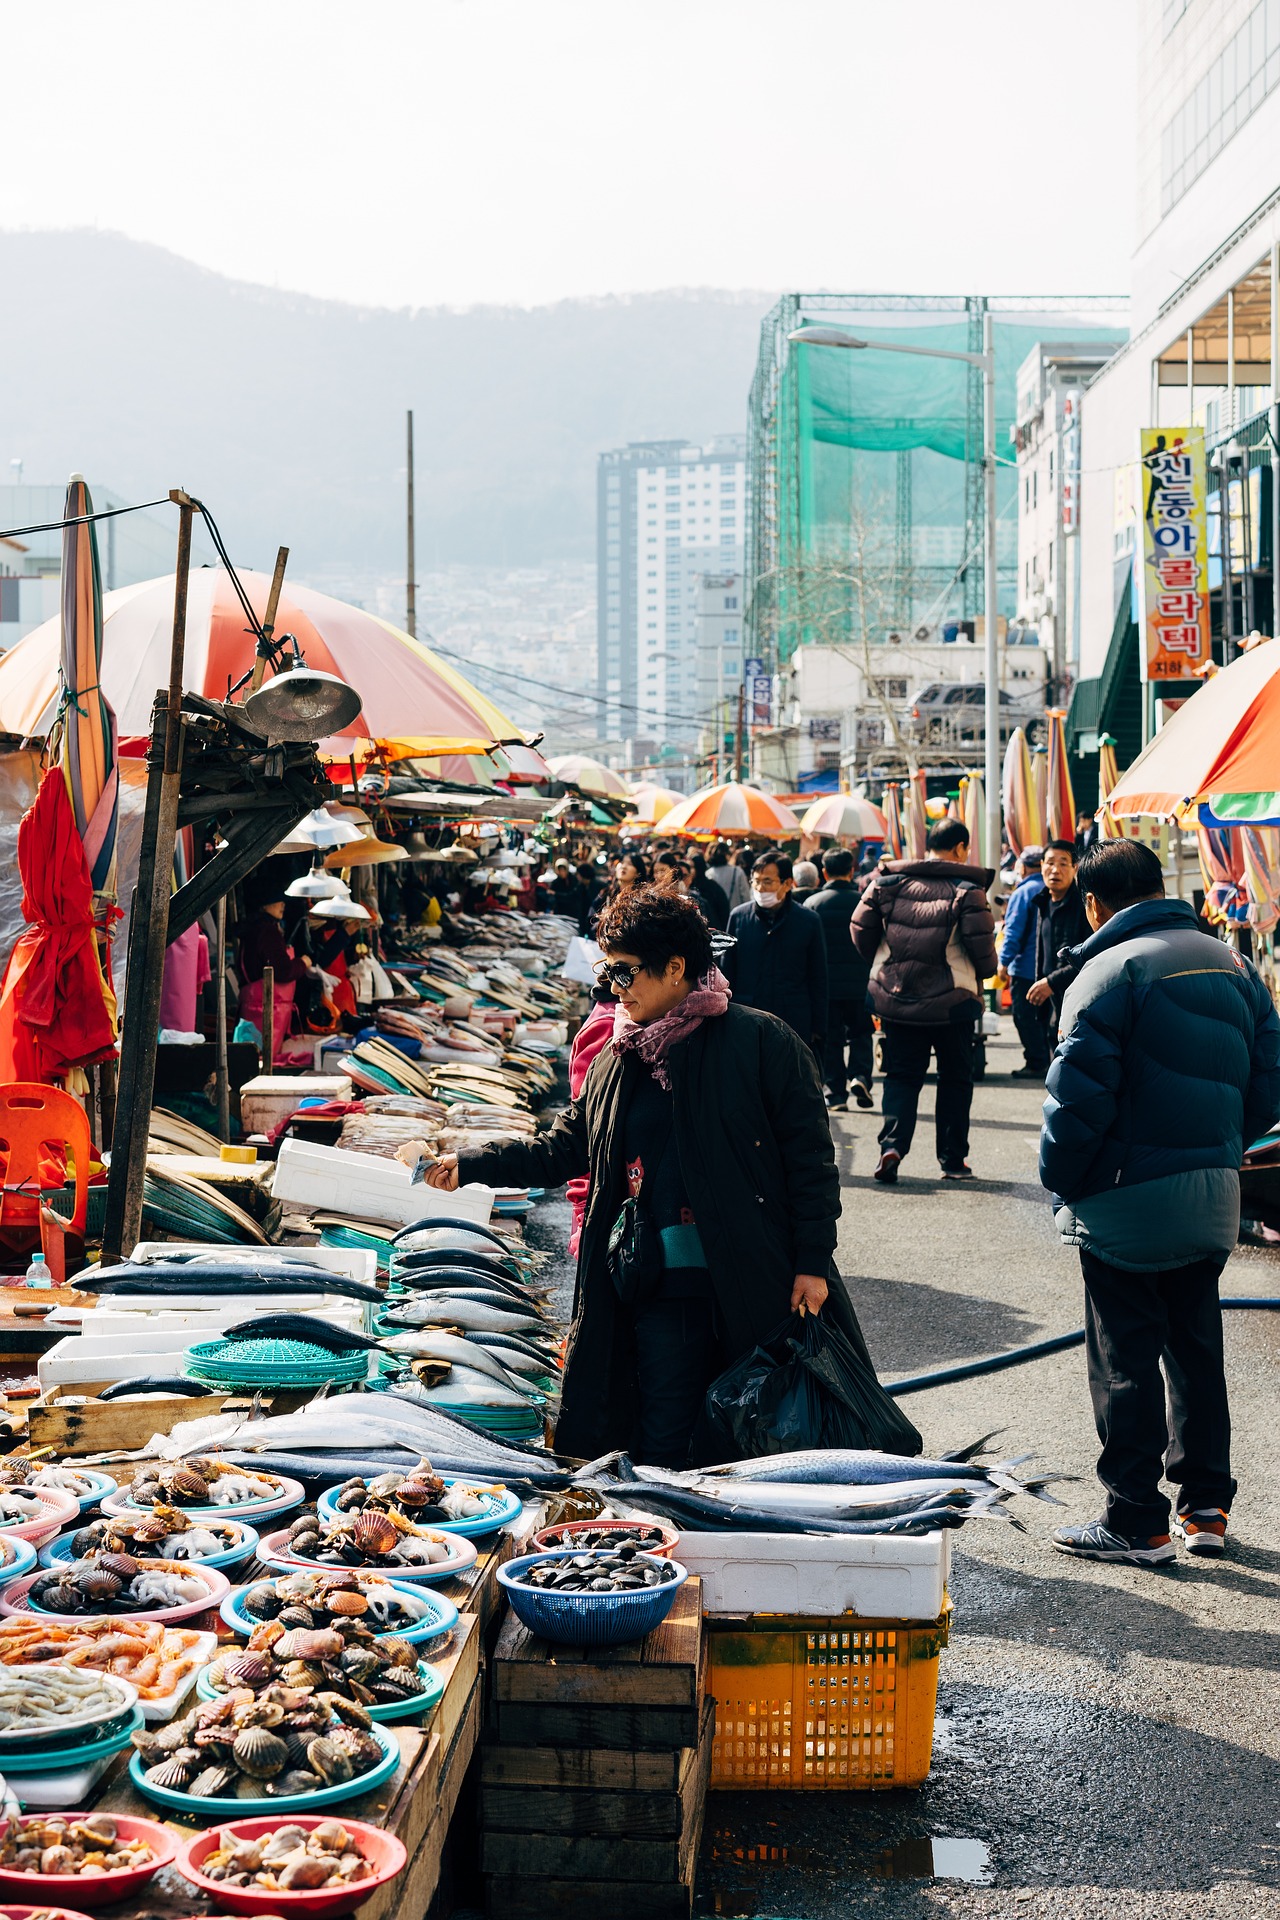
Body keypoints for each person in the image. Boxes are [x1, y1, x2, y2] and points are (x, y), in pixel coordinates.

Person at [421, 886, 842, 1467]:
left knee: (759, 1430)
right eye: (607, 970)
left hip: (752, 1279)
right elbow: (564, 1147)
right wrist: (470, 1164)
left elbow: (811, 1165)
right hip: (657, 1286)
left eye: (624, 972)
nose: (613, 988)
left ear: (675, 968)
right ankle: (675, 1545)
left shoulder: (763, 1043)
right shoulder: (619, 1058)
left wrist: (811, 1263)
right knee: (663, 1435)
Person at [1040, 840, 1280, 1566]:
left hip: (1124, 1197)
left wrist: (1068, 1181)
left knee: (1124, 1358)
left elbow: (1074, 1104)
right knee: (1196, 1349)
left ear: (1094, 903)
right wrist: (1212, 1149)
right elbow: (1268, 1087)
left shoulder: (1108, 970)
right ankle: (1206, 1508)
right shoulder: (1236, 964)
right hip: (1211, 1190)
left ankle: (1135, 1519)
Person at [851, 818, 997, 1184]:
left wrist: (887, 963)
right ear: (962, 848)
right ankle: (952, 1161)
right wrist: (987, 970)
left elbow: (859, 928)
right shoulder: (968, 889)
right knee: (955, 1080)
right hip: (953, 1004)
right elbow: (983, 953)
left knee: (901, 1076)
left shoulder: (886, 883)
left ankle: (892, 1146)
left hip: (898, 999)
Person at [723, 849, 828, 1055]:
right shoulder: (738, 917)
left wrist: (818, 1026)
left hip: (793, 1019)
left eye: (768, 881)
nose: (760, 888)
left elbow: (818, 977)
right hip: (747, 1017)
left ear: (787, 883)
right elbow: (727, 971)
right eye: (756, 881)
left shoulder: (808, 921)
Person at [806, 846, 874, 1111]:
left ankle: (835, 1093)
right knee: (861, 1032)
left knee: (831, 1037)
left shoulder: (813, 904)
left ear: (824, 872)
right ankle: (861, 1075)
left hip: (827, 986)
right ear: (852, 870)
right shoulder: (864, 902)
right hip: (860, 982)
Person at [1028, 839, 1091, 1048]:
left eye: (1063, 863)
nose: (1055, 870)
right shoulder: (1043, 902)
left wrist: (1051, 982)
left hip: (1079, 1005)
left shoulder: (1085, 906)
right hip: (1051, 1004)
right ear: (1041, 866)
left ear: (1075, 868)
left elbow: (1091, 956)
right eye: (1050, 863)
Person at [997, 846, 1048, 1078]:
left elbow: (1014, 933)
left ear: (1024, 867)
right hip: (1051, 970)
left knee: (1024, 1016)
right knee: (1047, 1017)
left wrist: (1003, 963)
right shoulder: (1055, 889)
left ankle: (1037, 1063)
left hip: (1025, 968)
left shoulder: (1024, 892)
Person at [705, 841, 749, 913]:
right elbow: (746, 897)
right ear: (727, 855)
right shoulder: (737, 871)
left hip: (717, 918)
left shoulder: (708, 874)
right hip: (736, 914)